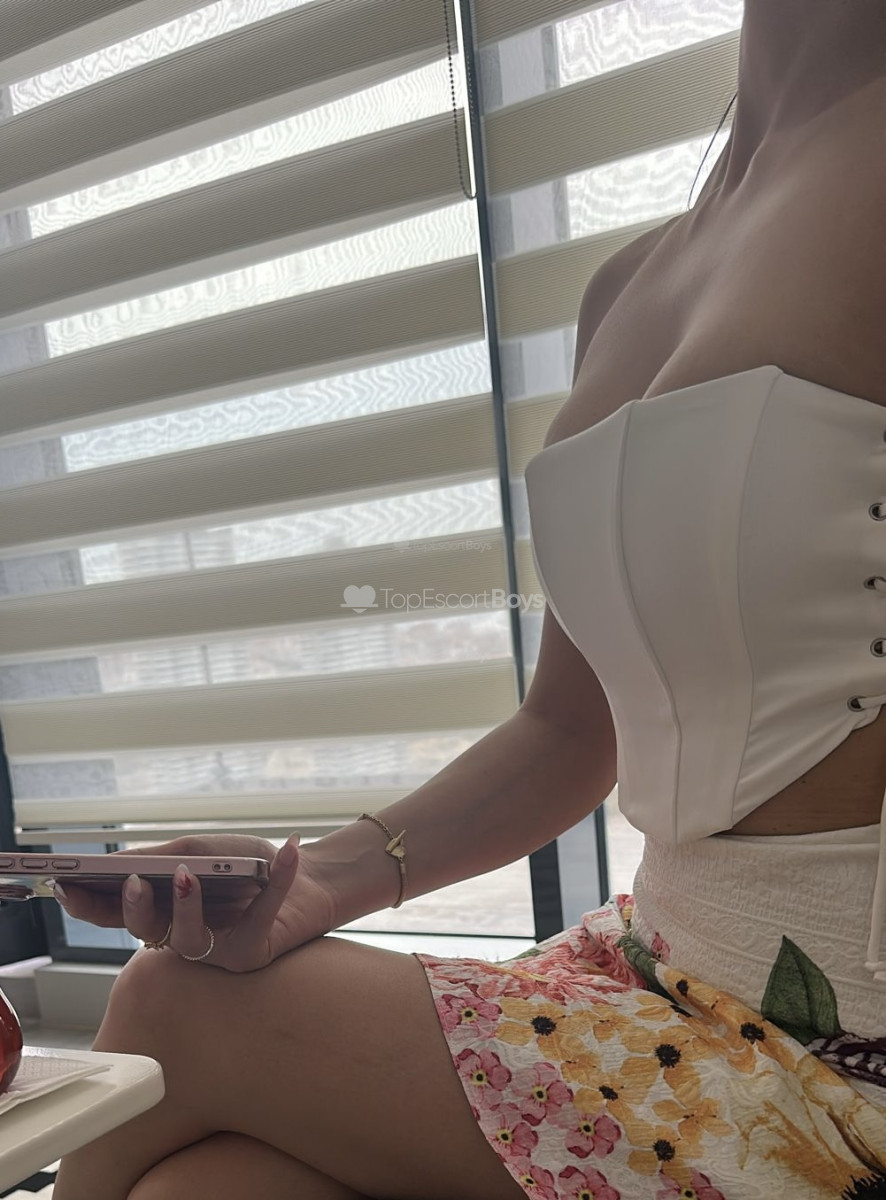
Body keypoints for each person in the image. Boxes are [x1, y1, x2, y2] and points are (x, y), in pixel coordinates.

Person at [51, 2, 886, 1197]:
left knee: (176, 1007)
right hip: (659, 980)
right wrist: (317, 879)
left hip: (841, 1058)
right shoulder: (628, 283)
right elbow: (567, 729)